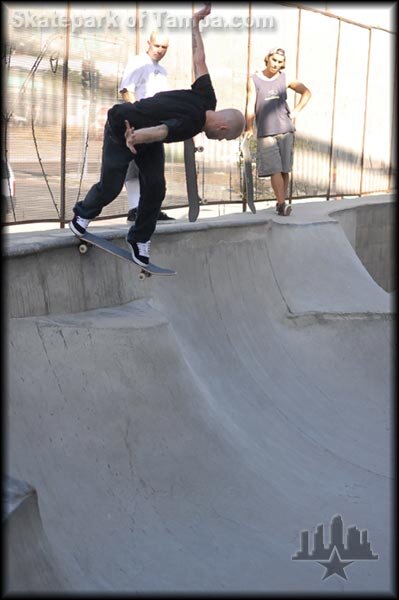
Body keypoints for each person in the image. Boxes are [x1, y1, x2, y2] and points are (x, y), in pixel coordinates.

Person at [70, 4, 245, 267]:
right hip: (122, 125)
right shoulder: (192, 124)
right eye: (223, 138)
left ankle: (139, 238)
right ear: (222, 128)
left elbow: (199, 60)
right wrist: (135, 138)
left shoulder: (208, 96)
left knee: (155, 186)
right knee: (112, 184)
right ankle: (81, 216)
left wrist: (195, 24)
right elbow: (163, 131)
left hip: (145, 135)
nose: (219, 140)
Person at [245, 47, 311, 216]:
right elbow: (250, 105)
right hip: (266, 132)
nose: (276, 64)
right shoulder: (253, 80)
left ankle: (280, 202)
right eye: (274, 60)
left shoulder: (285, 79)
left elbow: (306, 92)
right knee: (274, 168)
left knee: (284, 169)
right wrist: (249, 127)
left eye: (280, 62)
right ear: (267, 58)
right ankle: (282, 203)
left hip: (286, 129)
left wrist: (295, 112)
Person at [119, 30, 174, 223]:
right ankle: (135, 209)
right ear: (148, 44)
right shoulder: (138, 62)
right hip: (139, 121)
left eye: (164, 47)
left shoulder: (162, 71)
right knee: (134, 169)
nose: (160, 50)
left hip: (156, 125)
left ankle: (150, 209)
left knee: (154, 170)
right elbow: (126, 89)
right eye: (157, 45)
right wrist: (134, 117)